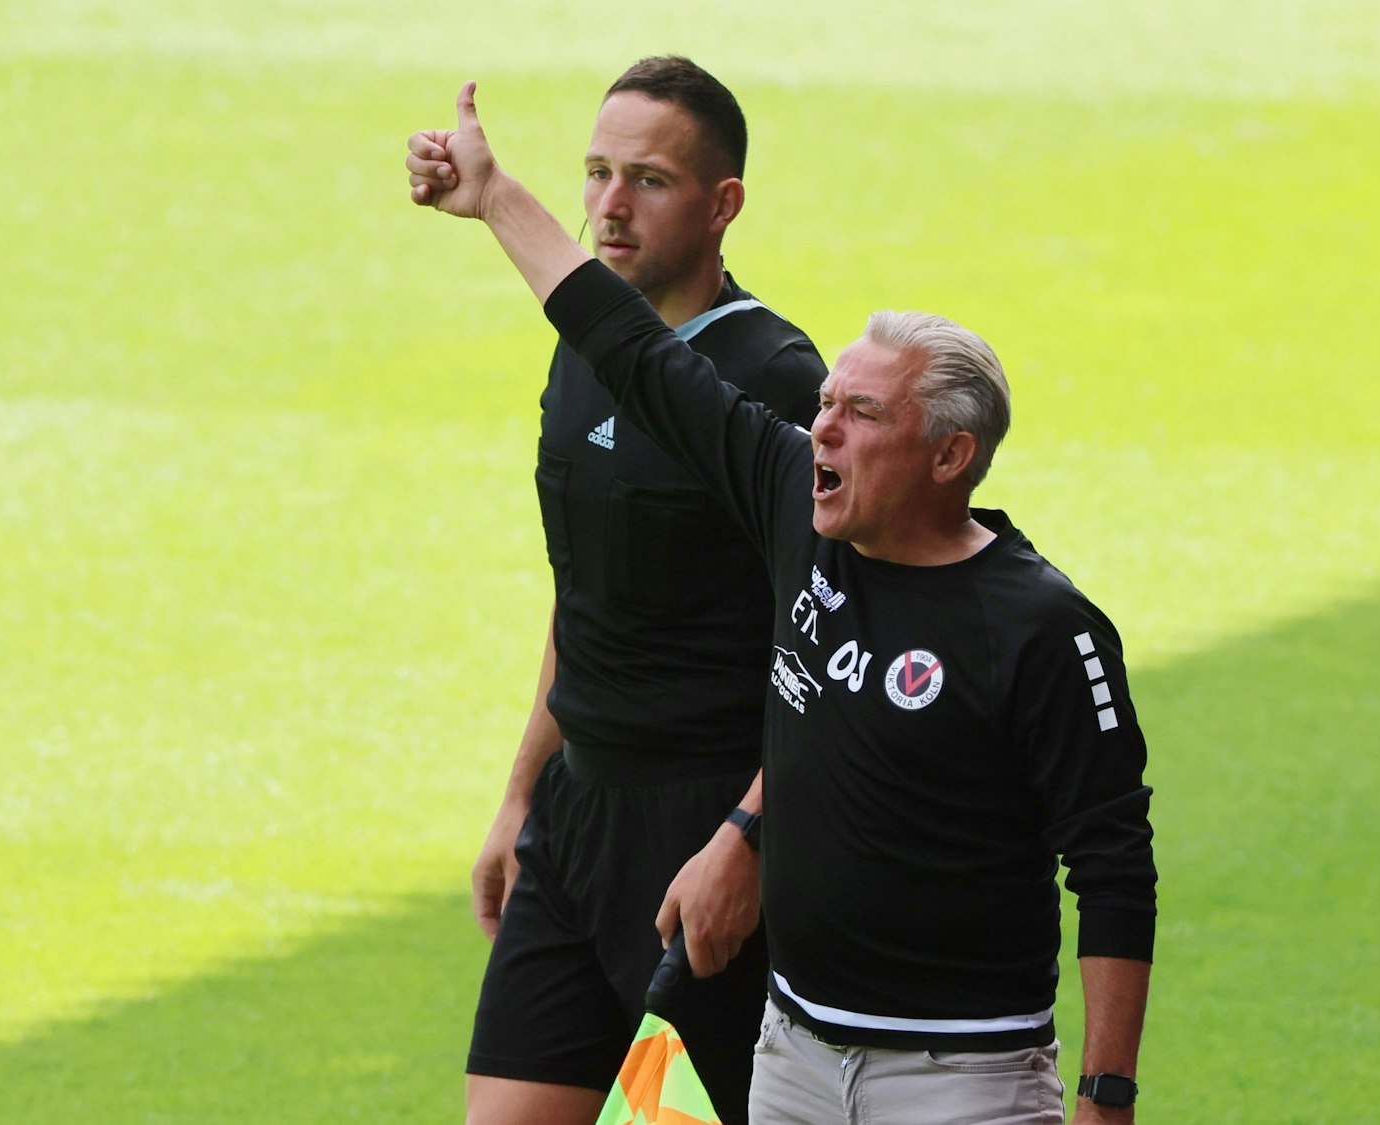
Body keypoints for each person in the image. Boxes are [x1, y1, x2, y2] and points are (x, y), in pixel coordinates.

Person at [410, 83, 1158, 1124]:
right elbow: (620, 343)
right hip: (793, 1053)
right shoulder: (792, 507)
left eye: (856, 414)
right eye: (821, 410)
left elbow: (1113, 864)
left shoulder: (1036, 626)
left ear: (948, 456)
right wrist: (493, 199)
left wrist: (1105, 1098)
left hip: (959, 1075)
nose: (820, 433)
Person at [458, 58, 828, 1125]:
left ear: (723, 205)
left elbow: (828, 638)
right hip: (575, 823)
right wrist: (523, 790)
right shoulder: (583, 351)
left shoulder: (772, 381)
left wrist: (747, 839)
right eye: (594, 174)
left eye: (648, 181)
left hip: (701, 839)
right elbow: (583, 596)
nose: (609, 207)